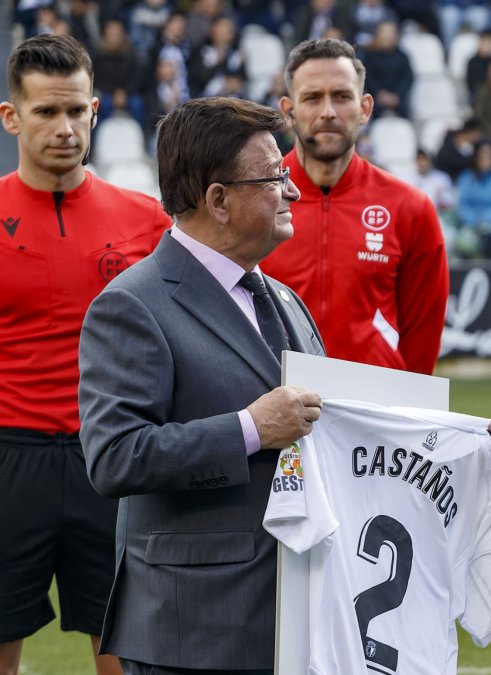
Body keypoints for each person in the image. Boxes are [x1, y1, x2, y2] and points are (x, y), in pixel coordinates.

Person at [77, 96, 323, 675]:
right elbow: (115, 457)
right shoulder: (131, 305)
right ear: (218, 200)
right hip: (192, 630)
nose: (292, 191)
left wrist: (451, 443)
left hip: (291, 616)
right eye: (275, 176)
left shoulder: (284, 298)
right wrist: (249, 429)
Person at [0, 34, 171, 675]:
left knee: (126, 651)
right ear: (12, 117)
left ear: (95, 110)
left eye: (77, 111)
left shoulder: (147, 221)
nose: (65, 128)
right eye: (46, 112)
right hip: (8, 457)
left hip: (114, 459)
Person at [261, 38, 448, 374]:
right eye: (313, 97)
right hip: (272, 410)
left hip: (370, 414)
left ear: (365, 108)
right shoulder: (254, 199)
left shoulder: (410, 208)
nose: (328, 111)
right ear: (288, 111)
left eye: (342, 96)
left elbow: (421, 344)